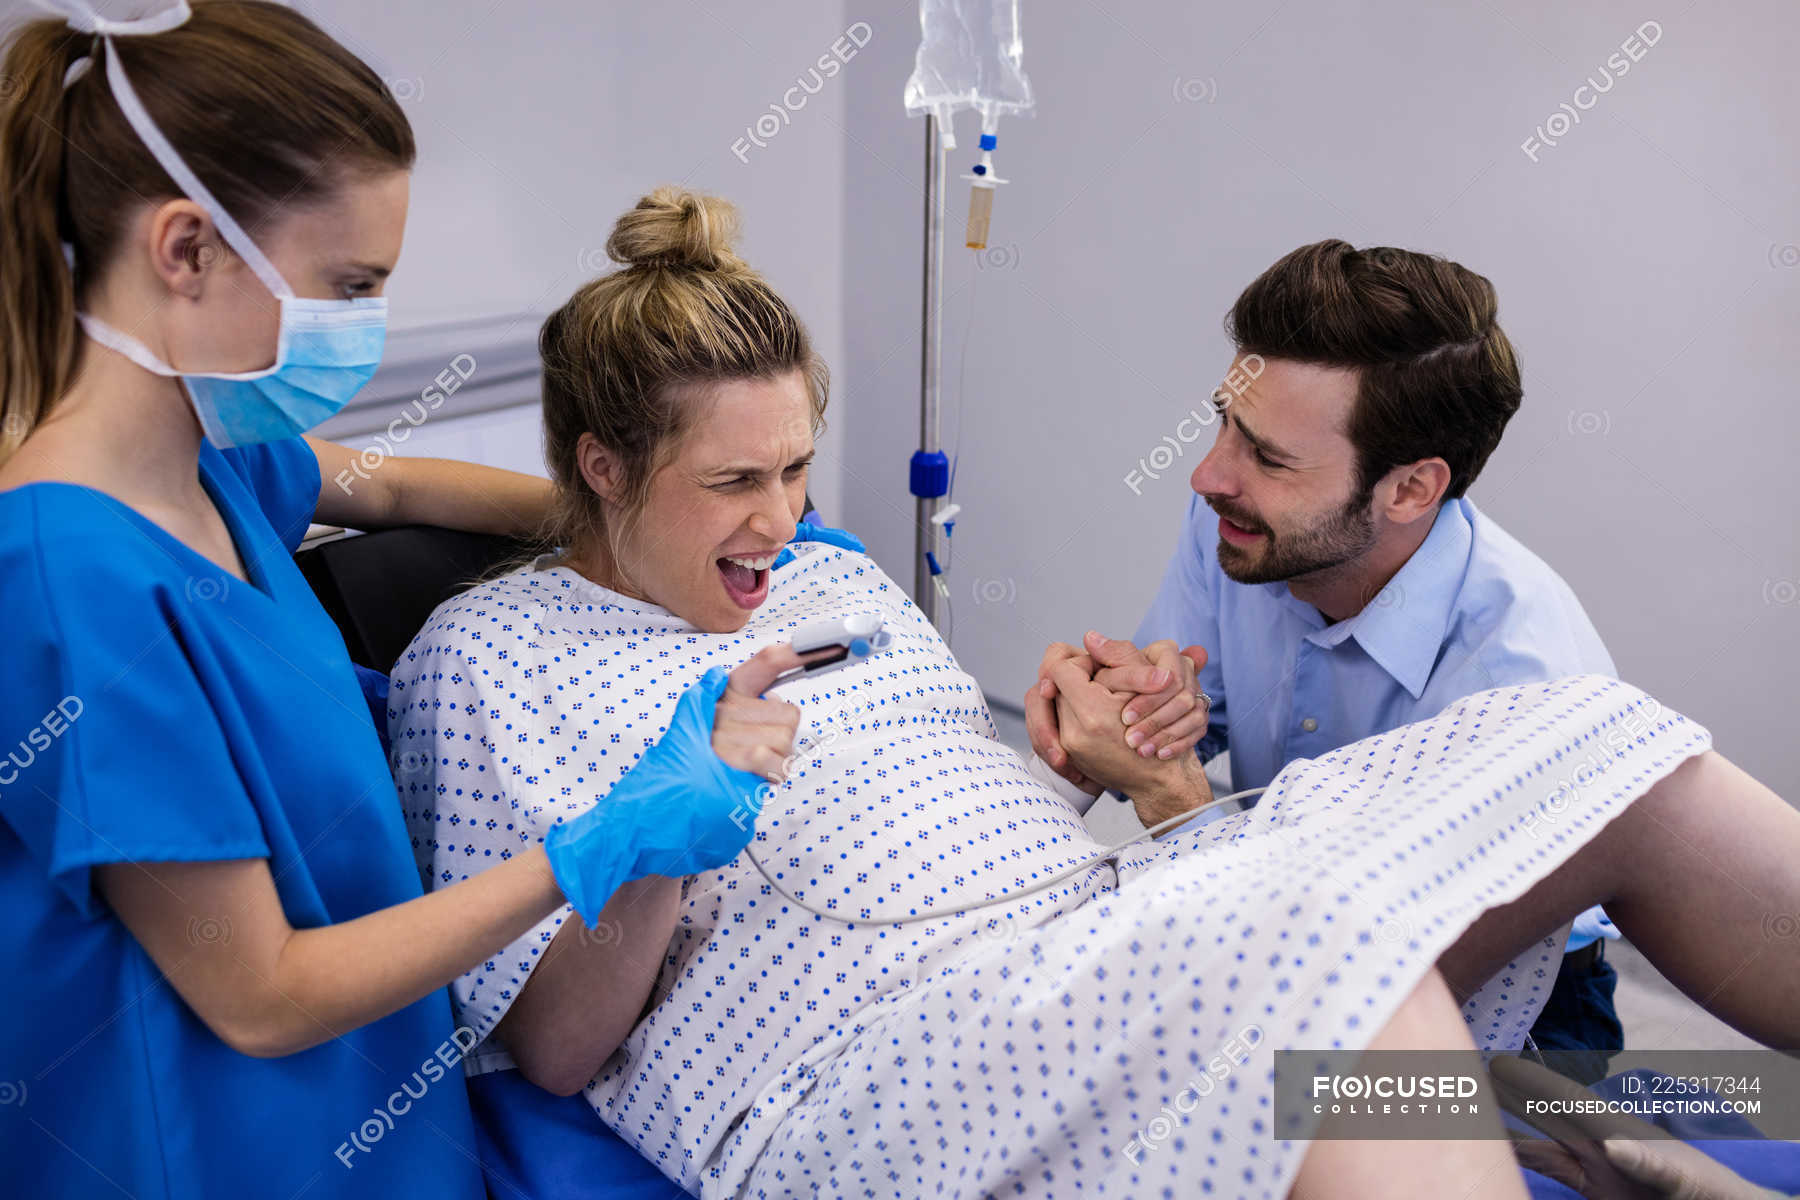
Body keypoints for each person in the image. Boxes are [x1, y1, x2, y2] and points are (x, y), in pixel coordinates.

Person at [398, 186, 1800, 1199]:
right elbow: (560, 1054)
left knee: (1602, 736)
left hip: (1101, 930)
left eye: (797, 472)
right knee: (1300, 938)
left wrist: (1059, 769)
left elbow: (957, 784)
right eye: (734, 484)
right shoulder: (488, 659)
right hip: (866, 1068)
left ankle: (1540, 1124)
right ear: (598, 465)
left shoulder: (826, 576)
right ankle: (1533, 1138)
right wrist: (652, 843)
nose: (786, 523)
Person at [0, 7, 792, 1195]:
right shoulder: (68, 577)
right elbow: (261, 994)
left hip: (381, 1114)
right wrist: (598, 845)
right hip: (217, 1152)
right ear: (185, 250)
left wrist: (639, 522)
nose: (364, 324)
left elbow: (391, 478)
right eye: (348, 283)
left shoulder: (210, 464)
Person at [1026, 239, 1625, 1073]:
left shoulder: (1522, 690)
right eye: (1225, 423)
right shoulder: (1241, 528)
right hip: (1283, 931)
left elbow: (1319, 992)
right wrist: (1143, 711)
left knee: (1255, 1132)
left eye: (1268, 457)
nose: (1206, 475)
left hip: (1502, 1011)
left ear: (1411, 490)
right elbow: (1185, 720)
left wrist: (1173, 797)